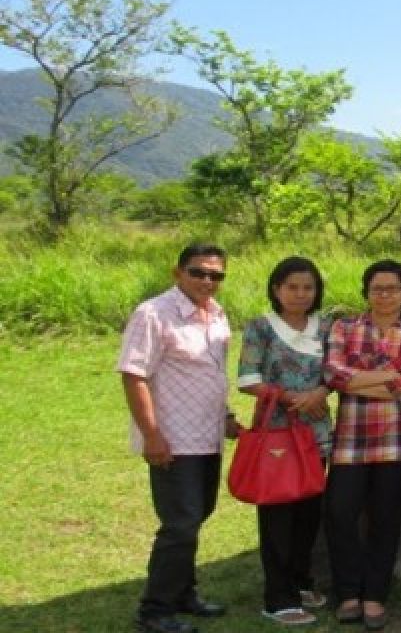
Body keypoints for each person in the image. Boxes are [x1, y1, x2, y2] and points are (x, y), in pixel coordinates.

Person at [117, 243, 238, 633]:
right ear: (178, 272)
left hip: (208, 435)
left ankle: (184, 593)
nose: (207, 281)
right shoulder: (152, 314)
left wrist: (227, 417)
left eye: (215, 275)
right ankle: (154, 611)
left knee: (198, 515)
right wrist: (152, 435)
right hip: (173, 438)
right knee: (180, 523)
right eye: (198, 272)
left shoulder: (217, 315)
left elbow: (212, 375)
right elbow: (134, 375)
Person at [322, 260, 401, 631]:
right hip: (350, 441)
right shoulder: (345, 327)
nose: (384, 295)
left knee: (385, 520)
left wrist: (361, 382)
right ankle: (348, 593)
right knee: (340, 514)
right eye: (377, 289)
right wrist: (388, 377)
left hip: (398, 442)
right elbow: (334, 375)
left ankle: (374, 597)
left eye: (393, 289)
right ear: (366, 292)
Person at [237, 256, 333, 626]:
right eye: (291, 287)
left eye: (308, 287)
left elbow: (336, 373)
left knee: (309, 511)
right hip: (277, 437)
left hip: (316, 435)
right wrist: (297, 399)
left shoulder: (326, 328)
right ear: (276, 289)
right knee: (278, 515)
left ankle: (300, 580)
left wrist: (321, 391)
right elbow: (247, 378)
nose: (300, 294)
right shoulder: (260, 327)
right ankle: (278, 598)